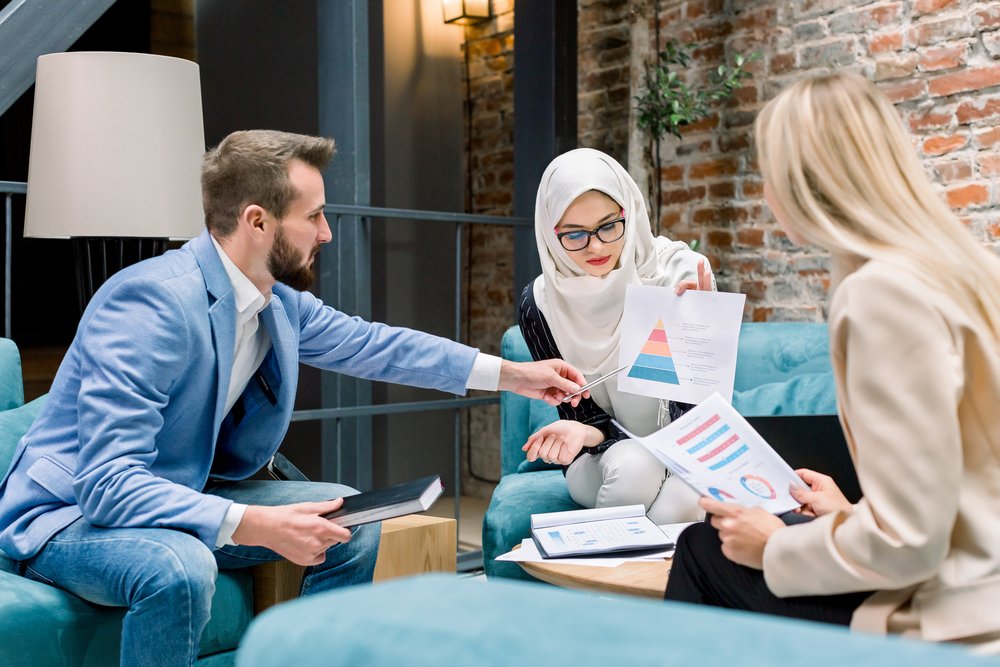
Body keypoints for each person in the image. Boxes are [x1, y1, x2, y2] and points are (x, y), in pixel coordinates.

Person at [0, 130, 588, 666]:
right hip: (69, 514)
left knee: (349, 519)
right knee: (180, 566)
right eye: (314, 216)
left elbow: (376, 346)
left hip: (180, 492)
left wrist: (512, 375)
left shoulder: (276, 300)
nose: (326, 232)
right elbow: (108, 483)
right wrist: (250, 522)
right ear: (257, 221)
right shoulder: (150, 304)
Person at [664, 72, 1000, 652]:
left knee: (702, 547)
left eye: (769, 174)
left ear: (803, 182)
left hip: (957, 611)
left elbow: (911, 543)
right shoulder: (969, 270)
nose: (766, 194)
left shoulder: (880, 294)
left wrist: (774, 548)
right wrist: (850, 514)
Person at [518, 148, 714, 524]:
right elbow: (581, 417)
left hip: (684, 450)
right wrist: (585, 434)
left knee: (688, 495)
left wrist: (696, 329)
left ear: (629, 212)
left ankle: (599, 558)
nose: (596, 246)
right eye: (574, 234)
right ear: (549, 233)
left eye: (609, 226)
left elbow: (698, 417)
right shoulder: (539, 303)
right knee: (634, 465)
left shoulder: (682, 274)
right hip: (600, 454)